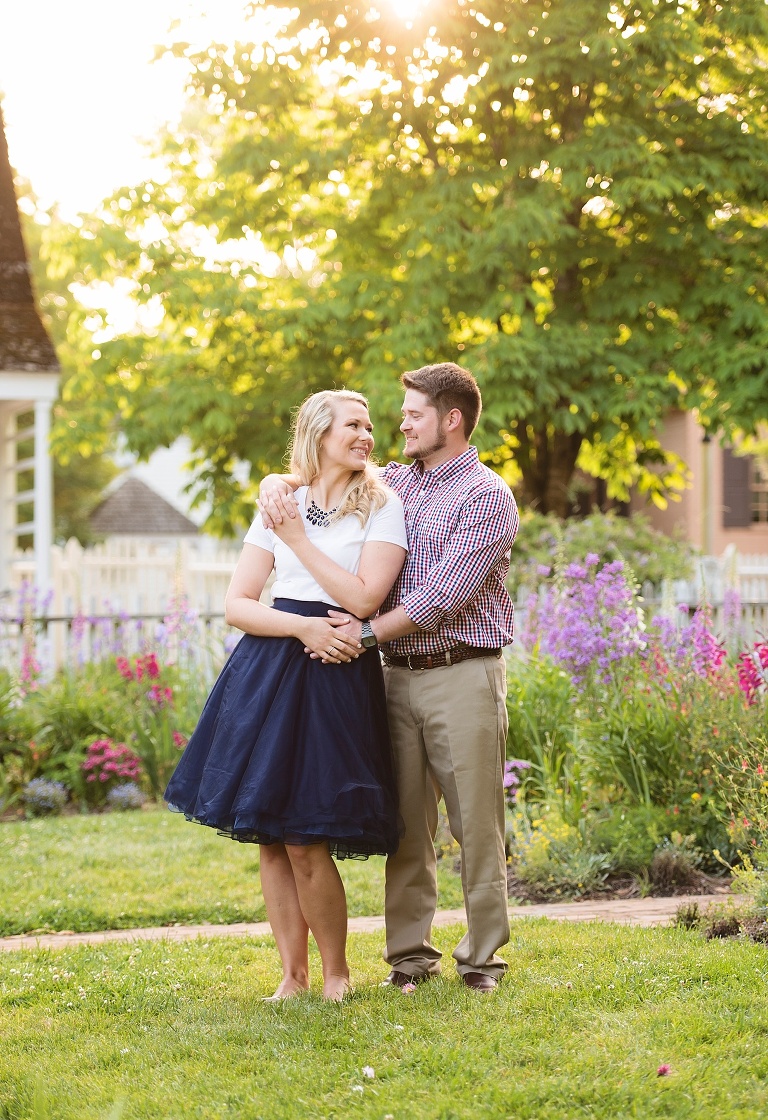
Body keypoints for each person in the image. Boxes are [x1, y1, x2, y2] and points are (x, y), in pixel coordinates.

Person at [260, 362, 519, 994]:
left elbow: (448, 594)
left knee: (475, 826)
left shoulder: (486, 494)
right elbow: (317, 478)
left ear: (450, 419)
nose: (398, 424)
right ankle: (410, 959)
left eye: (412, 414)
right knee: (406, 825)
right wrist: (275, 481)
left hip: (461, 674)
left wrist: (362, 634)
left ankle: (481, 960)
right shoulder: (394, 483)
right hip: (392, 679)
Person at [165, 389, 407, 1002]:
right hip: (271, 666)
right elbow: (237, 604)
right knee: (270, 832)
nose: (368, 434)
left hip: (333, 674)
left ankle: (336, 976)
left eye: (371, 425)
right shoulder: (280, 500)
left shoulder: (382, 505)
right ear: (320, 433)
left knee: (307, 833)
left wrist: (298, 542)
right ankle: (292, 977)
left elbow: (362, 600)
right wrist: (298, 625)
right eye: (354, 424)